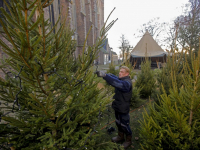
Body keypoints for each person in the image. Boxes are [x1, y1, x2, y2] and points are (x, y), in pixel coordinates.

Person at [96, 66, 132, 149]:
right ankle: (120, 136)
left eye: (122, 72)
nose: (120, 73)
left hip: (123, 108)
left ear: (127, 74)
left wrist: (105, 75)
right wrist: (108, 75)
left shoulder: (127, 83)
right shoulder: (122, 79)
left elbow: (117, 83)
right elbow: (115, 79)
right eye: (120, 71)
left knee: (124, 125)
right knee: (118, 122)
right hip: (117, 106)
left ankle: (128, 140)